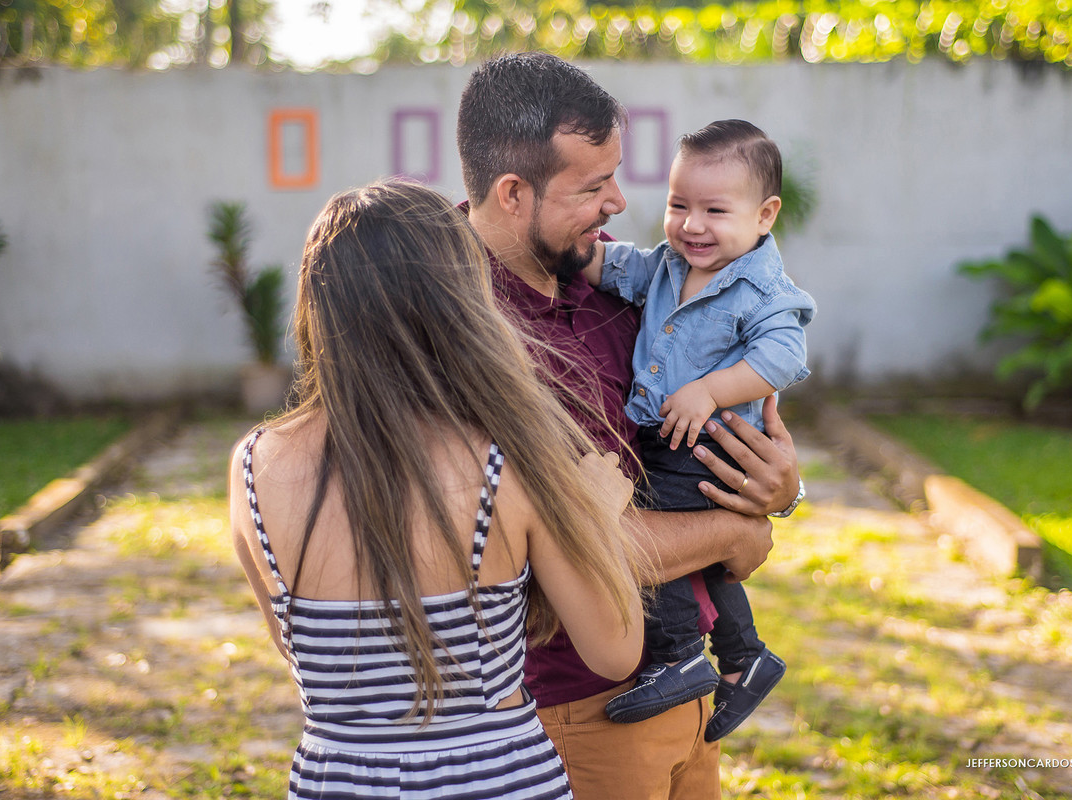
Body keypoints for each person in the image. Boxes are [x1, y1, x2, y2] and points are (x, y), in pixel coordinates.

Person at [457, 52, 804, 799]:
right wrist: (740, 532)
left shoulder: (621, 278)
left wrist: (780, 488)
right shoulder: (462, 329)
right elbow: (572, 547)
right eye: (591, 185)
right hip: (580, 706)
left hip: (689, 689)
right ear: (514, 194)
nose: (619, 201)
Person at [229, 180, 646, 800]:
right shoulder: (507, 461)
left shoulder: (252, 466)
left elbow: (299, 652)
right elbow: (615, 651)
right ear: (456, 301)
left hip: (336, 779)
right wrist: (598, 519)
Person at [582, 120, 816, 740]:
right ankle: (744, 659)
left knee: (660, 538)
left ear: (765, 215)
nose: (692, 224)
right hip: (672, 437)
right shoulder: (666, 266)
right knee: (705, 555)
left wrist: (711, 389)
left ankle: (677, 653)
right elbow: (616, 268)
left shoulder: (762, 289)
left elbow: (783, 357)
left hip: (710, 443)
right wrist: (578, 251)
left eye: (715, 209)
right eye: (678, 205)